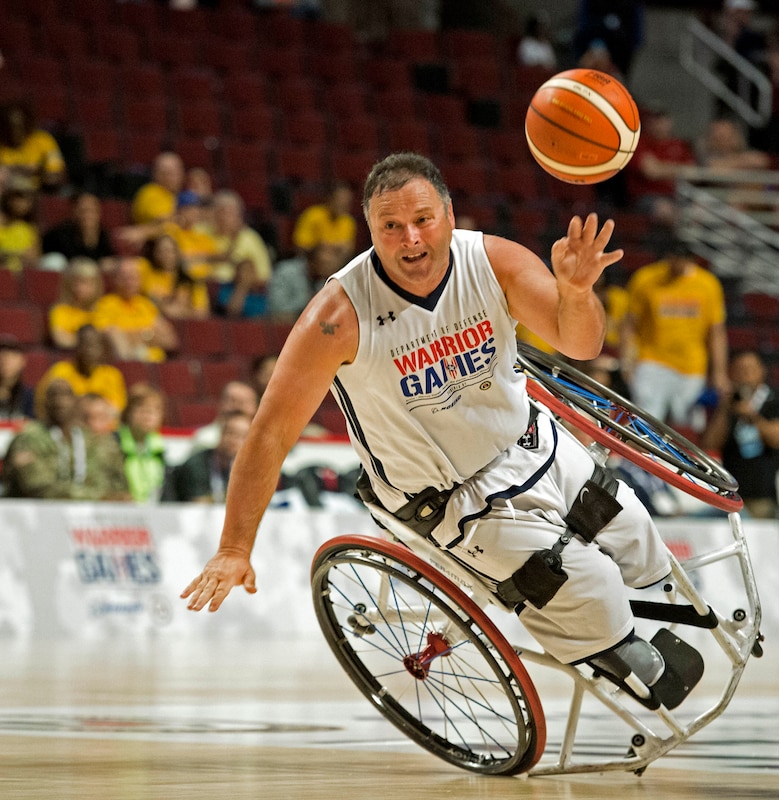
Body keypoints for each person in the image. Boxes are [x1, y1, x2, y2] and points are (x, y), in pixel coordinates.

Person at [182, 152, 693, 707]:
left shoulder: (492, 261)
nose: (410, 239)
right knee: (585, 584)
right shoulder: (337, 316)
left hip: (530, 443)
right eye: (391, 226)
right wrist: (234, 546)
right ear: (370, 231)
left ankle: (652, 625)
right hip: (446, 499)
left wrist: (574, 294)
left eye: (423, 219)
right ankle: (623, 655)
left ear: (449, 215)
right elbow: (269, 433)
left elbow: (581, 343)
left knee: (634, 531)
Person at [621, 235, 729, 433]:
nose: (677, 264)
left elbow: (716, 332)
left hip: (692, 365)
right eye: (673, 259)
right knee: (645, 420)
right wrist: (627, 360)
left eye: (682, 260)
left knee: (686, 427)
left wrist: (719, 371)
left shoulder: (708, 284)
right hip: (652, 360)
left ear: (691, 260)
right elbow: (630, 325)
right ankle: (639, 463)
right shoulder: (646, 278)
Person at [2, 378, 129, 500]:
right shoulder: (29, 437)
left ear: (76, 401)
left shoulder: (89, 439)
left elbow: (111, 481)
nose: (60, 402)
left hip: (86, 516)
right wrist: (98, 497)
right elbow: (38, 486)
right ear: (44, 402)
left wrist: (115, 496)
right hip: (34, 515)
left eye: (66, 395)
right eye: (53, 396)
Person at [700, 349, 779, 519]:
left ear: (762, 371)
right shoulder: (728, 405)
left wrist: (752, 416)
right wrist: (723, 408)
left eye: (750, 370)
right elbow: (710, 444)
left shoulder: (775, 399)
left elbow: (778, 438)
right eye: (740, 371)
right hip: (729, 497)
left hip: (761, 497)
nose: (745, 376)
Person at [202, 189, 273, 317]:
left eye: (230, 212)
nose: (224, 217)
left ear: (239, 215)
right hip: (206, 287)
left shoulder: (250, 237)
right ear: (213, 212)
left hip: (239, 289)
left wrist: (243, 278)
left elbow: (264, 276)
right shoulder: (201, 232)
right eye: (221, 211)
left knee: (246, 267)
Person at [93, 257, 178, 363]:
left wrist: (129, 337)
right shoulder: (105, 305)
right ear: (114, 279)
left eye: (133, 277)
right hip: (127, 367)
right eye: (124, 277)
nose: (129, 282)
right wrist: (150, 336)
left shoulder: (146, 305)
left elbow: (169, 341)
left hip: (156, 366)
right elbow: (108, 338)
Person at [36, 324, 128, 415]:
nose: (89, 351)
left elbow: (118, 410)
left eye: (94, 346)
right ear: (77, 347)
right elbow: (44, 403)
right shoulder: (61, 370)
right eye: (85, 345)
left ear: (102, 349)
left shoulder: (112, 375)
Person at [170, 411, 252, 503]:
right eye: (230, 433)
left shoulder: (250, 469)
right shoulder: (196, 464)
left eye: (242, 436)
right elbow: (197, 503)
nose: (234, 440)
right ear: (221, 433)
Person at [116, 383, 169, 504]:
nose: (148, 414)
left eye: (156, 409)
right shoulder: (113, 444)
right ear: (128, 412)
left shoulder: (162, 450)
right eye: (141, 407)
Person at [40, 191, 118, 272]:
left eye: (92, 210)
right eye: (83, 210)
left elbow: (110, 258)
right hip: (67, 276)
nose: (88, 215)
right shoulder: (59, 234)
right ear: (75, 212)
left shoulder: (103, 234)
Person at [138, 234, 210, 320]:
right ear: (154, 253)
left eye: (169, 250)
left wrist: (181, 311)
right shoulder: (146, 270)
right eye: (160, 250)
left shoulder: (191, 279)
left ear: (177, 253)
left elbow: (201, 313)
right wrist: (163, 308)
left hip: (182, 323)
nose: (165, 255)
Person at [0, 99, 65, 192]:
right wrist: (22, 170)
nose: (16, 131)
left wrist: (39, 171)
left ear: (28, 123)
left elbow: (57, 174)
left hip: (38, 192)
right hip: (6, 194)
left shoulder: (44, 140)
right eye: (10, 126)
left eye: (20, 126)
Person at [267, 242, 342, 320]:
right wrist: (308, 301)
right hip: (281, 325)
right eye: (326, 264)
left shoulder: (326, 281)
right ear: (313, 262)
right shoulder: (285, 272)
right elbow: (276, 309)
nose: (329, 270)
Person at [47, 257, 105, 350]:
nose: (83, 288)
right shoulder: (60, 310)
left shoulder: (102, 309)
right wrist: (89, 343)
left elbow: (105, 339)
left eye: (89, 283)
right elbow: (61, 340)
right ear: (69, 284)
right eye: (79, 282)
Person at [292, 182, 357, 262]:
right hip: (308, 262)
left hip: (337, 264)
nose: (344, 204)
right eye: (341, 200)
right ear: (330, 199)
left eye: (347, 201)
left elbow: (347, 249)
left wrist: (327, 246)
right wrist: (319, 248)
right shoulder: (312, 215)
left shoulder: (348, 221)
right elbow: (300, 246)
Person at [189, 379, 259, 453]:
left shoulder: (265, 440)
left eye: (244, 402)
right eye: (232, 400)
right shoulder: (204, 438)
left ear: (257, 407)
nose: (238, 407)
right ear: (220, 403)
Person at [130, 151, 185, 226]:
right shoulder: (150, 193)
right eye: (168, 173)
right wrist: (184, 219)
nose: (174, 178)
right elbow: (164, 222)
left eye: (177, 172)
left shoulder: (179, 195)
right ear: (156, 174)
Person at [0, 178, 40, 272]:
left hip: (20, 275)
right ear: (8, 198)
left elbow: (33, 258)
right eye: (19, 197)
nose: (22, 203)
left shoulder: (30, 229)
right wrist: (18, 254)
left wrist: (8, 253)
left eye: (27, 199)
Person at [0, 335, 34, 421]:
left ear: (23, 361)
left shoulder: (30, 396)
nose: (5, 360)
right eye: (1, 354)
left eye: (12, 355)